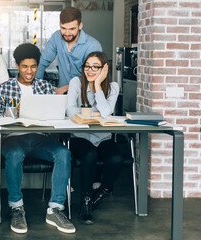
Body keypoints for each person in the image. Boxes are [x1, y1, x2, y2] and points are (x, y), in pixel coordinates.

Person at [0, 43, 75, 234]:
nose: (29, 71)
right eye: (25, 66)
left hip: (40, 138)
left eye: (33, 66)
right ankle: (16, 206)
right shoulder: (4, 89)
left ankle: (55, 208)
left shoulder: (46, 87)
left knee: (63, 153)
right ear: (17, 65)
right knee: (14, 154)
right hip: (13, 139)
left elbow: (57, 116)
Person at [66, 51, 124, 224]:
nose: (90, 70)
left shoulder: (112, 87)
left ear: (104, 68)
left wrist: (98, 85)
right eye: (87, 66)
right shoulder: (76, 82)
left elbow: (107, 113)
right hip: (79, 136)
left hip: (103, 137)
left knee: (116, 158)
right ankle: (85, 200)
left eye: (95, 67)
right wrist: (96, 113)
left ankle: (101, 193)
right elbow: (70, 111)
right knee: (89, 154)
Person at [36, 7, 102, 94]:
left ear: (80, 26)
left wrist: (65, 88)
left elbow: (94, 76)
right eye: (63, 28)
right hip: (62, 97)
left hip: (85, 96)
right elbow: (42, 63)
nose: (67, 33)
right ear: (59, 24)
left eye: (72, 29)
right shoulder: (57, 37)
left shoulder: (92, 46)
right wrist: (36, 87)